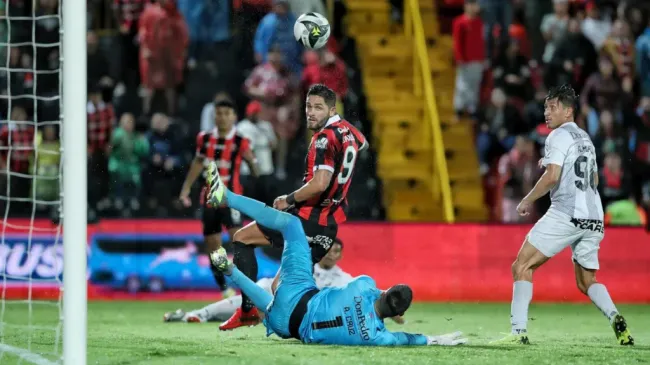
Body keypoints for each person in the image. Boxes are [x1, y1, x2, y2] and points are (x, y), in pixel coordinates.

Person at [205, 165, 467, 346]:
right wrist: (431, 339)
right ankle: (230, 271)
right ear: (394, 316)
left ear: (384, 292)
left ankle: (226, 197)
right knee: (273, 305)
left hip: (299, 294)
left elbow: (369, 291)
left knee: (292, 226)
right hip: (289, 328)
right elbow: (405, 339)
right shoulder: (378, 337)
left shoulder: (365, 285)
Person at [492, 85, 634, 345]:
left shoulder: (557, 136)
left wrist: (528, 199)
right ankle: (616, 318)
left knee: (521, 266)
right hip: (594, 216)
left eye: (553, 107)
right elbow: (594, 178)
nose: (547, 112)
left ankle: (518, 333)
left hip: (567, 212)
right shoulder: (585, 138)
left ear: (568, 111)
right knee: (587, 281)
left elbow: (553, 176)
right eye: (546, 107)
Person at [220, 84, 368, 331]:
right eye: (308, 106)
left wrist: (288, 199)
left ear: (331, 109)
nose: (311, 112)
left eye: (318, 108)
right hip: (328, 227)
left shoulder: (323, 138)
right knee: (281, 288)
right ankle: (326, 324)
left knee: (242, 238)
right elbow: (361, 145)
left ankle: (248, 310)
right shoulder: (349, 132)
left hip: (304, 220)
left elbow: (319, 183)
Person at [164, 238, 359, 323]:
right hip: (268, 293)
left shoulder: (343, 279)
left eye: (336, 251)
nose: (332, 254)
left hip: (289, 312)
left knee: (244, 309)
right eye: (329, 249)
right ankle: (196, 314)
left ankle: (202, 315)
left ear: (341, 256)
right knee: (243, 301)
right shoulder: (303, 263)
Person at [179, 98, 259, 299]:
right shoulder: (205, 139)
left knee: (239, 242)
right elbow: (197, 164)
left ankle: (248, 289)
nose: (222, 117)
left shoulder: (241, 141)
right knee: (214, 248)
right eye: (219, 113)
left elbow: (256, 168)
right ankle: (224, 289)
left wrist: (254, 163)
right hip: (209, 201)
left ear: (234, 117)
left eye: (226, 113)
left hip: (231, 200)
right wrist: (186, 189)